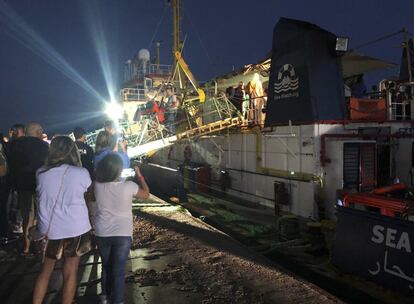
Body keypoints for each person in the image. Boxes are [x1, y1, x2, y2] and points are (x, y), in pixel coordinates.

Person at [33, 136, 92, 304]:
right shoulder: (81, 173)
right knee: (70, 272)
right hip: (76, 227)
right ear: (72, 151)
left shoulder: (41, 173)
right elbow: (86, 190)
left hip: (49, 230)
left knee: (45, 272)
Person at [94, 153, 149, 304]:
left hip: (102, 231)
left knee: (106, 265)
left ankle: (104, 297)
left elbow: (90, 198)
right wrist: (140, 176)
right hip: (122, 233)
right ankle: (117, 301)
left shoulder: (97, 185)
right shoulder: (129, 186)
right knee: (118, 271)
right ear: (118, 170)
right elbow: (146, 194)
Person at [11, 122, 49, 255]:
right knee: (43, 214)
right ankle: (41, 244)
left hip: (22, 186)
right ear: (38, 132)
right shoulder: (44, 146)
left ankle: (27, 247)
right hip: (40, 185)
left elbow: (12, 167)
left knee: (27, 217)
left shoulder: (15, 145)